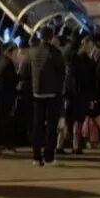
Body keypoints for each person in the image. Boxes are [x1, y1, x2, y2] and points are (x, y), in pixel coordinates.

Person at [23, 26, 66, 167]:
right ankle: (49, 157)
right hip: (52, 93)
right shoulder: (55, 52)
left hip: (37, 93)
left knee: (37, 125)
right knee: (51, 127)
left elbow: (25, 71)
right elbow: (62, 73)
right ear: (51, 37)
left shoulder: (32, 52)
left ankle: (36, 157)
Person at [0, 42, 19, 158]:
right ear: (10, 52)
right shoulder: (8, 64)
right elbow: (13, 81)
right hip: (5, 97)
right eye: (15, 52)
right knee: (2, 122)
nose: (17, 54)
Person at [69, 37, 96, 153]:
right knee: (79, 119)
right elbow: (92, 79)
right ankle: (77, 145)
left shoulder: (75, 59)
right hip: (82, 94)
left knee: (78, 120)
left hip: (76, 94)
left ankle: (76, 144)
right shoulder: (87, 61)